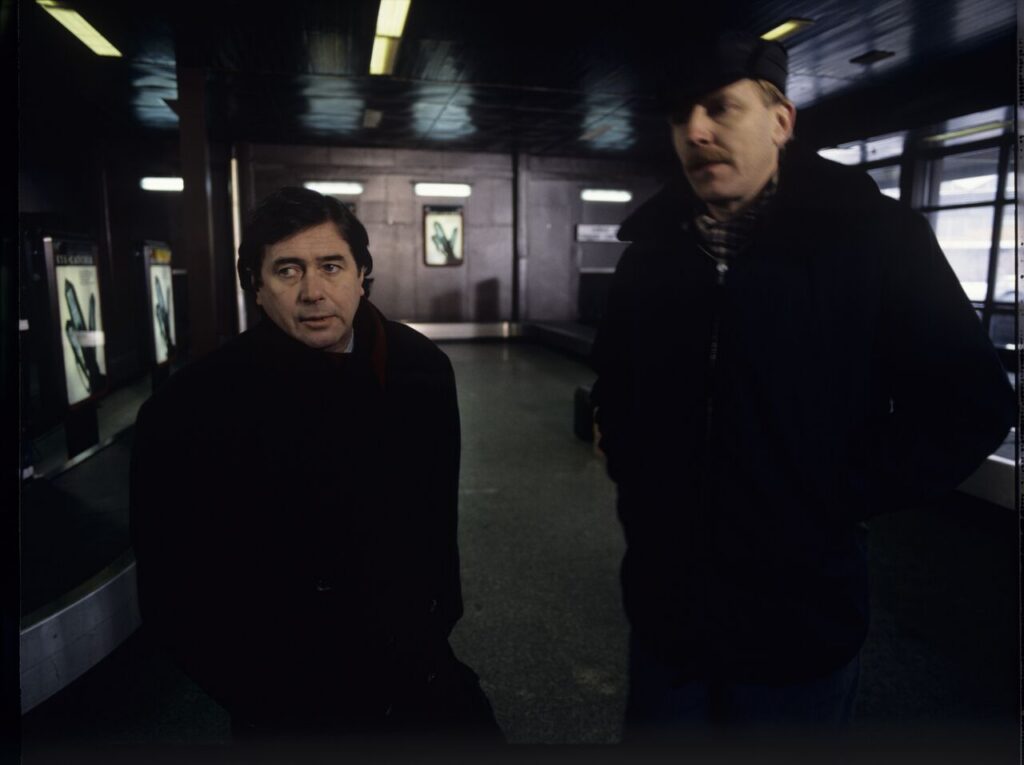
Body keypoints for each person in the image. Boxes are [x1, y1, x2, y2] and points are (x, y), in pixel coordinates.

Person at [590, 30, 1015, 745]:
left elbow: (970, 403)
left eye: (721, 108)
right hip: (668, 615)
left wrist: (832, 490)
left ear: (780, 120)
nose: (695, 130)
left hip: (797, 622)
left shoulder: (875, 240)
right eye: (679, 116)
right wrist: (634, 460)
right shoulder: (652, 256)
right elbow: (616, 379)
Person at [130, 187, 501, 754]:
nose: (313, 292)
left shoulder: (421, 370)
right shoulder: (191, 410)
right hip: (291, 704)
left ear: (362, 274)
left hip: (417, 674)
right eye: (287, 270)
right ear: (256, 287)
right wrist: (259, 695)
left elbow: (435, 522)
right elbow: (172, 594)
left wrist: (432, 623)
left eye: (331, 266)